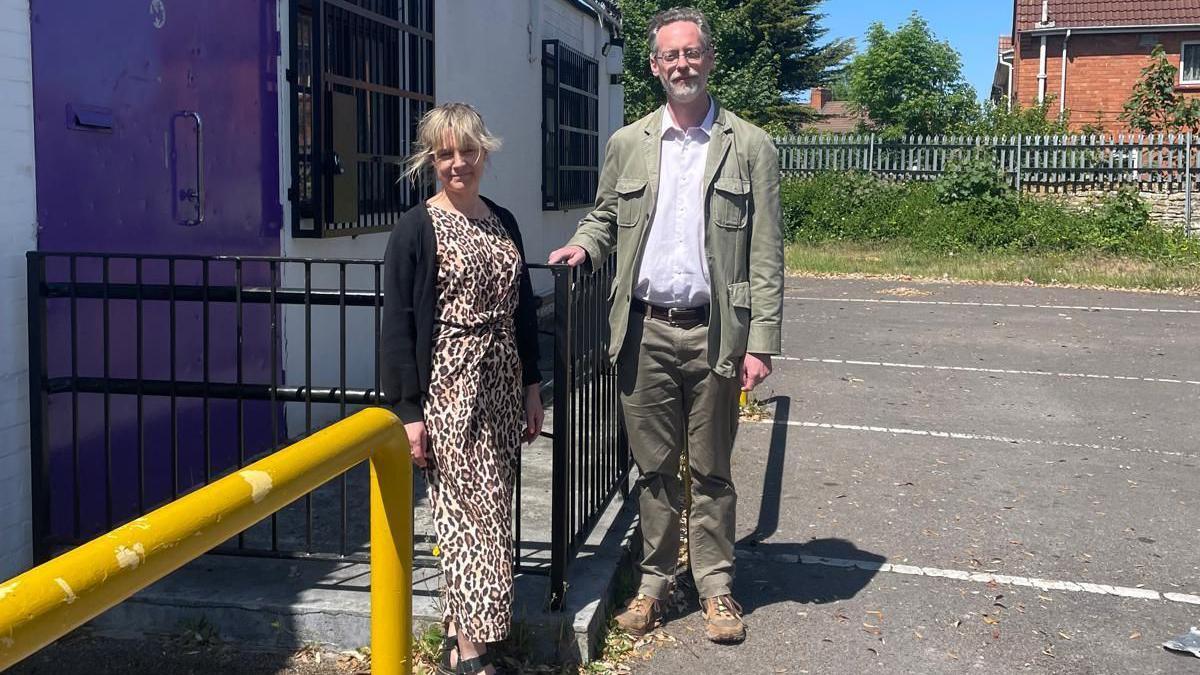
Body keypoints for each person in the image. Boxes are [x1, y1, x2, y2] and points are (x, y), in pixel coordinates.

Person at [548, 6, 783, 644]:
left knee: (711, 471)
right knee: (653, 470)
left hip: (716, 334)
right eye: (668, 56)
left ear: (709, 58)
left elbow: (766, 252)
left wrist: (761, 341)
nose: (681, 64)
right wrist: (583, 247)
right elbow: (603, 218)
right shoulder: (628, 143)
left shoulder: (750, 145)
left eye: (691, 53)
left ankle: (716, 589)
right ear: (654, 67)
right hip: (644, 332)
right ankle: (653, 586)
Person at [381, 103, 544, 675]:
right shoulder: (414, 229)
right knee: (466, 511)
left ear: (484, 153)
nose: (459, 163)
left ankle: (458, 632)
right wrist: (407, 411)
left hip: (501, 381)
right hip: (449, 385)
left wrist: (531, 382)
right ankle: (473, 651)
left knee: (490, 509)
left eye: (468, 151)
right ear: (431, 159)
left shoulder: (502, 219)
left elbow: (523, 308)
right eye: (446, 153)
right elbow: (398, 322)